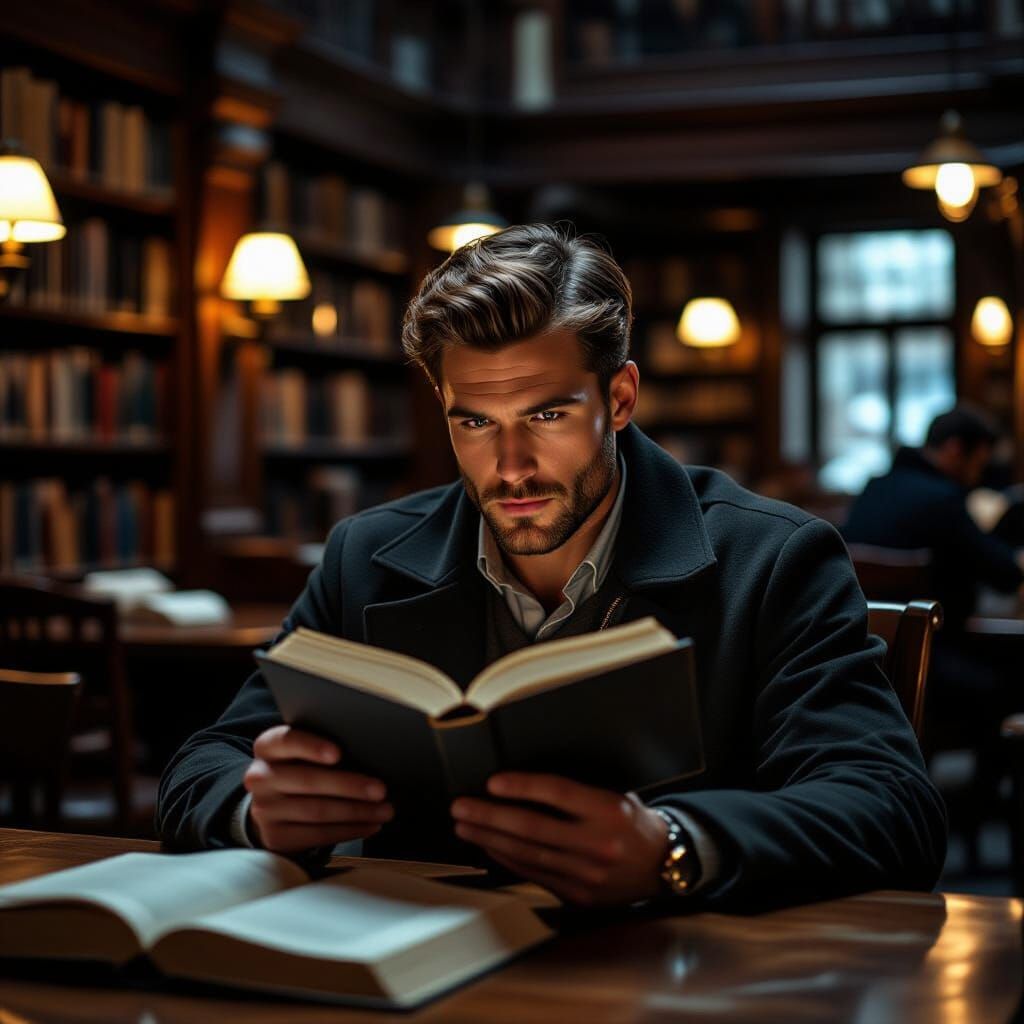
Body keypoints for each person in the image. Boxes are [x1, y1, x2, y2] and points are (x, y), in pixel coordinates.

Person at [157, 224, 945, 909]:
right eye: (475, 421)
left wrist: (672, 849)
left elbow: (891, 806)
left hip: (677, 984)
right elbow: (204, 764)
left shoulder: (776, 558)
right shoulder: (364, 556)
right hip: (427, 979)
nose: (511, 467)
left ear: (622, 397)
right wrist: (255, 811)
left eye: (548, 415)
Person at [843, 406, 1024, 837]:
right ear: (956, 450)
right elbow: (1003, 572)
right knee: (1013, 683)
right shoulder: (942, 498)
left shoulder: (876, 487)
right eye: (978, 462)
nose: (978, 475)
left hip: (865, 660)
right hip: (930, 667)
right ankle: (973, 814)